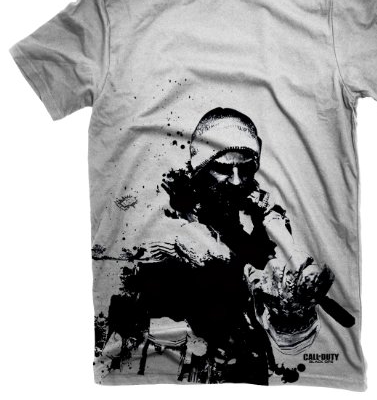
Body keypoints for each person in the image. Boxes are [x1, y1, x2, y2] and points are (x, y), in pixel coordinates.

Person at [93, 107, 351, 383]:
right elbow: (113, 272)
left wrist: (292, 307)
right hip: (158, 360)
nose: (237, 180)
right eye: (223, 168)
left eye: (246, 167)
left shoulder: (262, 215)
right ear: (202, 168)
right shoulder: (161, 204)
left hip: (237, 363)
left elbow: (287, 337)